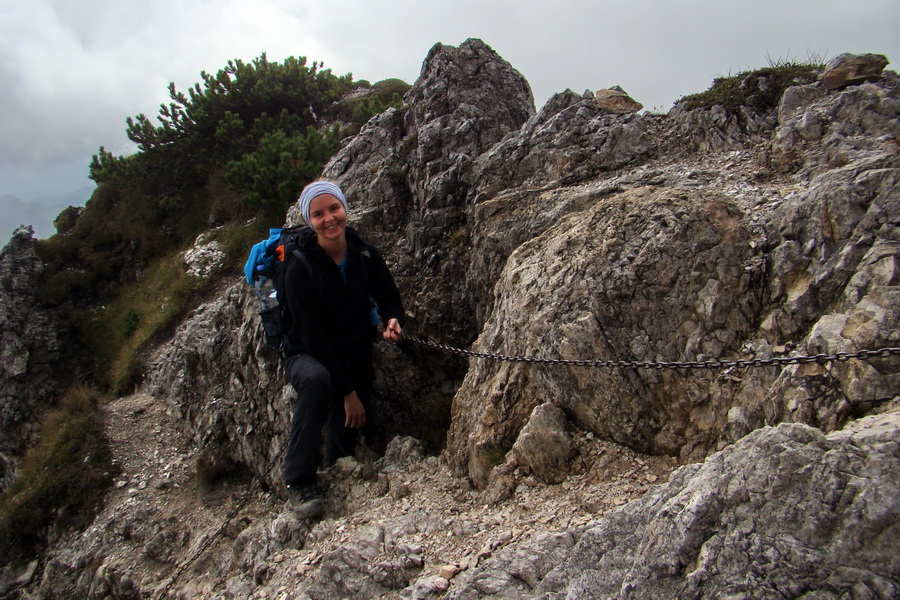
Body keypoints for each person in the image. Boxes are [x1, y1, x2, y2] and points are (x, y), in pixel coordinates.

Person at [281, 180, 405, 518]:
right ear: (309, 221)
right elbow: (313, 338)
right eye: (318, 214)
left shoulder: (364, 254)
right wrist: (348, 391)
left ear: (344, 209)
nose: (329, 219)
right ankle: (299, 480)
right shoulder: (299, 268)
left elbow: (389, 298)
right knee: (319, 381)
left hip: (352, 350)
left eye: (333, 209)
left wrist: (393, 320)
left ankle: (337, 475)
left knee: (346, 427)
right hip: (305, 353)